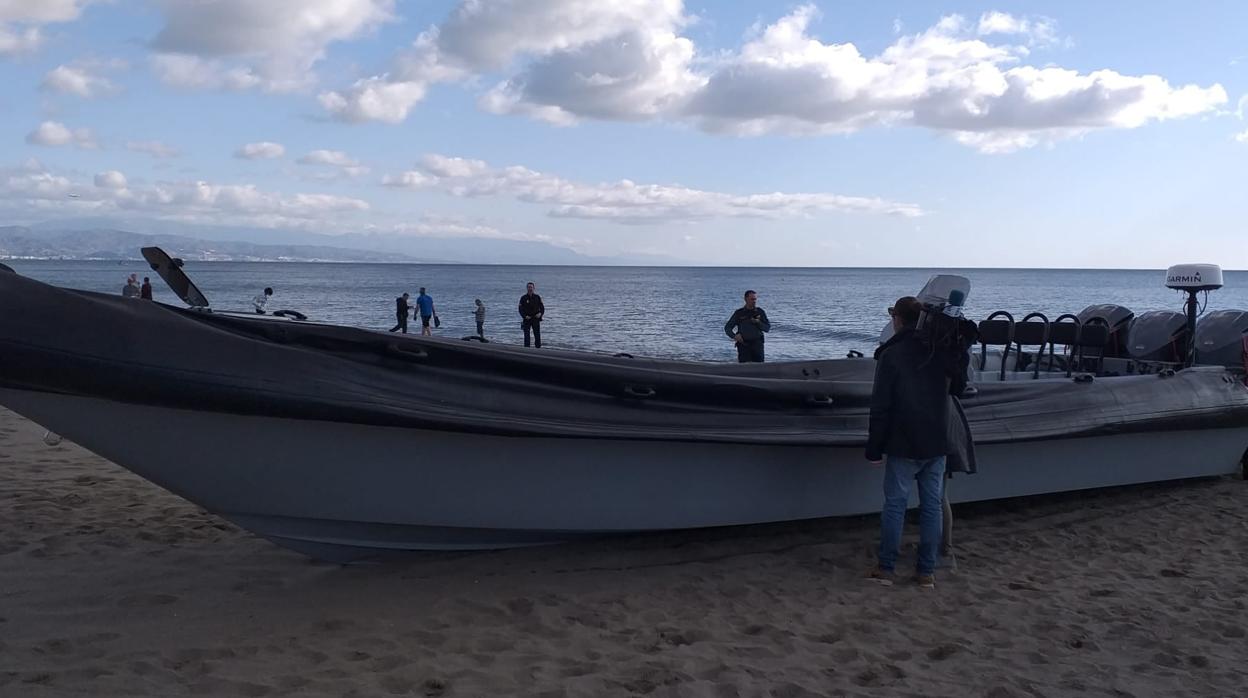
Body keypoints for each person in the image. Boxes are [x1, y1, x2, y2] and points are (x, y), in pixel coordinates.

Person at [865, 296, 950, 589]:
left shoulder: (891, 355)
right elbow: (959, 385)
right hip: (937, 438)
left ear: (897, 319)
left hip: (903, 440)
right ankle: (926, 571)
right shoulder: (939, 350)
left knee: (895, 505)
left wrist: (874, 448)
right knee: (931, 507)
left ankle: (887, 567)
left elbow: (881, 406)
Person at [723, 290, 770, 362]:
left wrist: (758, 322)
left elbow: (767, 328)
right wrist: (734, 336)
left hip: (757, 344)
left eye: (755, 299)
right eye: (752, 299)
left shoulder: (760, 312)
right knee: (744, 368)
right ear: (745, 299)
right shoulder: (739, 313)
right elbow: (727, 328)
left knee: (759, 368)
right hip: (744, 344)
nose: (754, 301)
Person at [518, 282, 545, 348]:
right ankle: (527, 350)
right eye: (529, 287)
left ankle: (538, 349)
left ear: (534, 288)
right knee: (526, 336)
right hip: (527, 319)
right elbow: (520, 309)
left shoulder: (537, 297)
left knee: (537, 335)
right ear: (527, 288)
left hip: (535, 318)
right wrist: (524, 316)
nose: (530, 288)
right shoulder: (523, 298)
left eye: (531, 287)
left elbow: (542, 308)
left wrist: (540, 314)